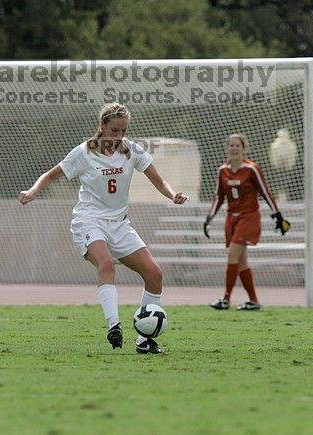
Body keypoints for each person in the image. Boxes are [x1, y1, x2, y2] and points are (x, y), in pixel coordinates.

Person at [18, 103, 188, 354]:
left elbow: (158, 179)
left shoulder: (132, 150)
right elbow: (52, 175)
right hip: (89, 220)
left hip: (119, 224)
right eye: (115, 130)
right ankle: (114, 325)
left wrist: (173, 195)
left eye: (124, 131)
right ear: (103, 126)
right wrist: (32, 191)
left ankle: (144, 340)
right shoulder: (84, 153)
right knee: (106, 264)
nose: (120, 136)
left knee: (155, 274)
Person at [203, 133, 289, 311]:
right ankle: (253, 301)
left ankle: (225, 299)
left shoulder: (252, 168)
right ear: (227, 148)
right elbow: (219, 197)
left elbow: (265, 192)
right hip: (231, 218)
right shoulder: (222, 171)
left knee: (232, 256)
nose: (234, 148)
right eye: (231, 145)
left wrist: (278, 215)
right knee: (241, 262)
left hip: (249, 217)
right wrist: (209, 218)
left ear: (244, 149)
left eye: (237, 146)